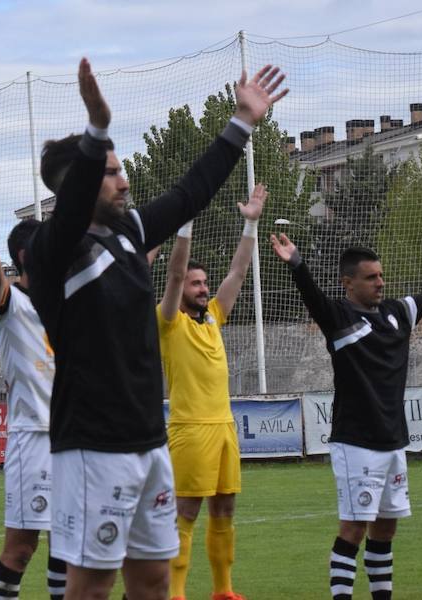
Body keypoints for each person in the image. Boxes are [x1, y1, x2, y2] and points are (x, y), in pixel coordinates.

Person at [24, 57, 287, 600]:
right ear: (78, 183)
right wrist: (96, 129)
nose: (126, 179)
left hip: (149, 441)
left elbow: (192, 192)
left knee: (153, 581)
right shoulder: (54, 251)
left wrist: (240, 123)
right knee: (92, 586)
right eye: (112, 171)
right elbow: (71, 214)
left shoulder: (128, 233)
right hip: (93, 446)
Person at [270, 231, 422, 600]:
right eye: (371, 277)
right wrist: (297, 264)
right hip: (356, 442)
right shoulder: (338, 317)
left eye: (381, 275)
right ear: (348, 283)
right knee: (354, 528)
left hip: (394, 442)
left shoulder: (397, 314)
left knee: (385, 529)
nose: (381, 282)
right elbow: (311, 296)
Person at [156, 184, 265, 600]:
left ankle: (223, 591)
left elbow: (237, 272)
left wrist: (250, 224)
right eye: (196, 284)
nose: (202, 288)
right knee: (185, 514)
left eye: (204, 283)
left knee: (225, 511)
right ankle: (176, 594)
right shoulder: (168, 321)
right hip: (190, 429)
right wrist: (186, 219)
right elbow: (175, 273)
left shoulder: (214, 316)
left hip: (224, 428)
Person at [0, 189, 65, 600]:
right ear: (26, 256)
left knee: (66, 544)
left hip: (72, 439)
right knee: (22, 548)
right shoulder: (11, 304)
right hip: (32, 439)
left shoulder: (64, 301)